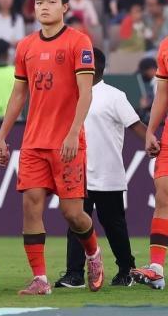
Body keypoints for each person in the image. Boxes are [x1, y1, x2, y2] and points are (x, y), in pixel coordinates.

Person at [0, 0, 104, 295]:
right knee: (31, 206)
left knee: (72, 214)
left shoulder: (78, 42)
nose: (44, 7)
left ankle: (93, 254)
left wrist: (73, 133)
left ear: (65, 7)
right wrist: (2, 136)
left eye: (51, 1)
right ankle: (40, 280)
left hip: (67, 142)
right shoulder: (25, 46)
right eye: (39, 1)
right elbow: (18, 95)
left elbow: (86, 93)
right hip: (33, 143)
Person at [55, 48, 144, 289]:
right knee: (75, 224)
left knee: (114, 225)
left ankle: (126, 270)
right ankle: (74, 274)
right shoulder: (70, 94)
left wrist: (153, 143)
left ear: (92, 68)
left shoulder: (114, 96)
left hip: (107, 174)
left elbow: (136, 125)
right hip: (77, 173)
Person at [131, 34, 168, 289]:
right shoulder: (165, 46)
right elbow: (162, 93)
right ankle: (156, 269)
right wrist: (151, 131)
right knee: (163, 195)